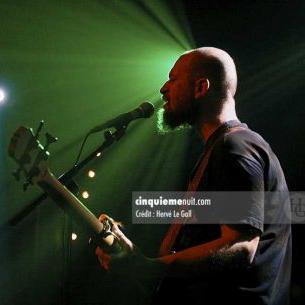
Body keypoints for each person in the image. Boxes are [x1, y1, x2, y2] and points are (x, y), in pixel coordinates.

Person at [96, 47, 291, 305]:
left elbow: (241, 247)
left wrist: (149, 267)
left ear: (200, 88)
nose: (163, 89)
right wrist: (142, 260)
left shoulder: (234, 148)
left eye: (173, 79)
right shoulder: (222, 150)